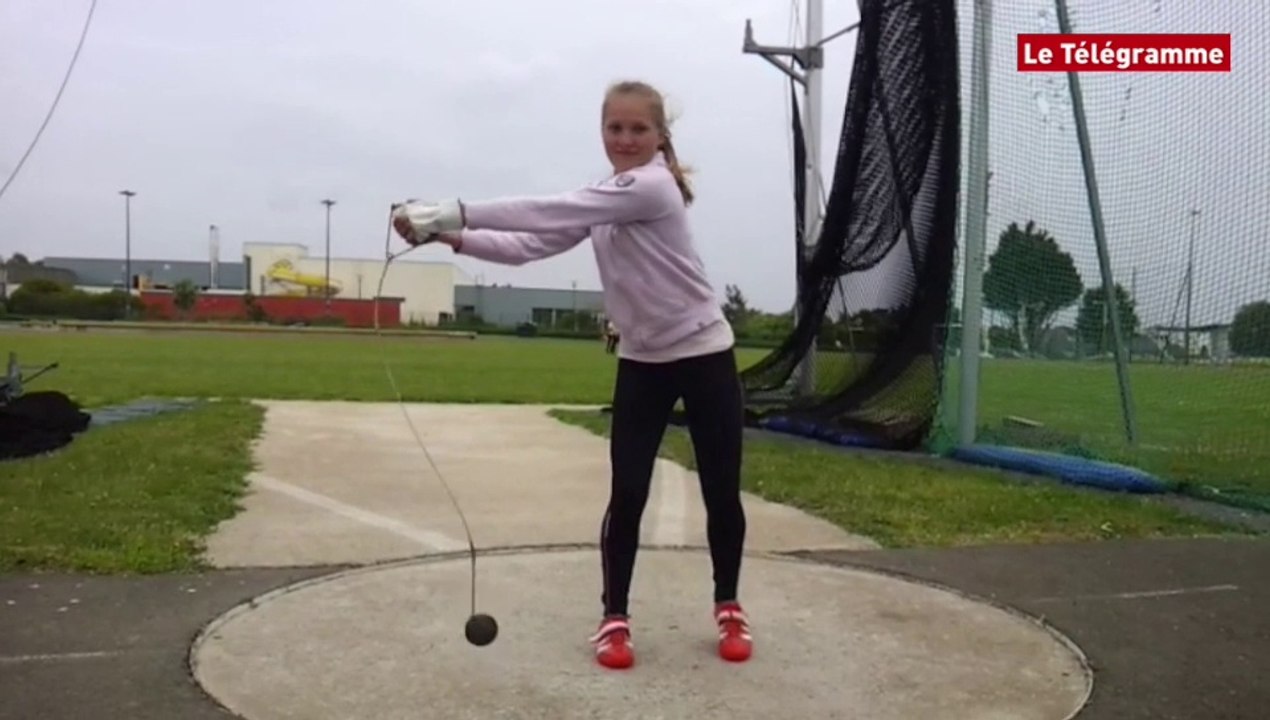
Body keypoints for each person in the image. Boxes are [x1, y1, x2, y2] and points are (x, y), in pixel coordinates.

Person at [390, 80, 751, 670]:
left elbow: (552, 208)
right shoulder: (609, 196)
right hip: (642, 360)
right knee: (627, 492)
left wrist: (453, 208)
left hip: (705, 354)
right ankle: (615, 620)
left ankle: (729, 606)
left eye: (639, 129)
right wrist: (449, 235)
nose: (626, 139)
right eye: (615, 128)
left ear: (660, 137)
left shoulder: (652, 187)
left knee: (721, 490)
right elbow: (531, 243)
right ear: (602, 132)